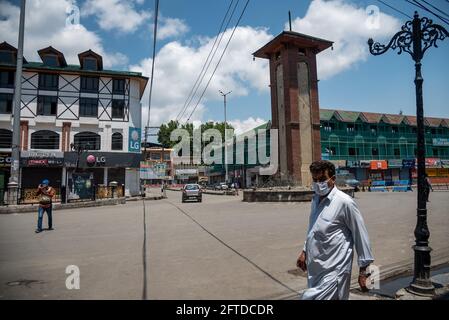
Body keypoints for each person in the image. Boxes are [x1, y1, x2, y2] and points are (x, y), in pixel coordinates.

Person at [296, 160, 374, 300]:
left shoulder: (345, 202)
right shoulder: (315, 200)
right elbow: (314, 228)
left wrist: (365, 272)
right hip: (316, 269)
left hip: (335, 271)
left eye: (322, 179)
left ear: (333, 179)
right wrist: (304, 250)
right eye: (315, 179)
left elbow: (361, 235)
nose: (318, 183)